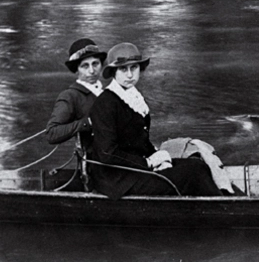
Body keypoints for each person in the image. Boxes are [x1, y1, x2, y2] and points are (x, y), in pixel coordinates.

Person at [87, 42, 223, 199]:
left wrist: (159, 157)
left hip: (136, 170)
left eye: (134, 68)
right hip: (118, 180)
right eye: (123, 69)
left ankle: (221, 201)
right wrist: (148, 163)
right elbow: (107, 153)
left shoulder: (134, 98)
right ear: (114, 73)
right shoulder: (105, 104)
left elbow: (139, 141)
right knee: (190, 174)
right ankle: (223, 209)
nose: (130, 75)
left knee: (197, 166)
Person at [46, 38, 107, 146]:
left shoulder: (106, 91)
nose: (92, 71)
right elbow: (52, 133)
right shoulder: (71, 96)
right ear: (76, 70)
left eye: (95, 64)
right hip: (94, 160)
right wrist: (87, 123)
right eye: (85, 66)